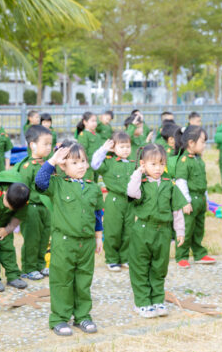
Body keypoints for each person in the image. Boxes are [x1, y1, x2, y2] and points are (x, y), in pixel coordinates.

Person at [35, 141, 103, 336]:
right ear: (63, 166)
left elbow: (97, 214)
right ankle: (59, 318)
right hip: (64, 242)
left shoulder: (93, 188)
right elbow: (40, 182)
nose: (80, 166)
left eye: (83, 161)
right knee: (62, 280)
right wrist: (52, 161)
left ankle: (82, 316)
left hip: (86, 243)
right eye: (74, 162)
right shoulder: (57, 184)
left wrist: (99, 237)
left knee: (83, 280)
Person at [126, 144, 186, 318]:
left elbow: (177, 210)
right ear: (143, 164)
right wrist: (138, 173)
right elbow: (131, 192)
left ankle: (157, 300)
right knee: (140, 267)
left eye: (161, 164)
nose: (158, 168)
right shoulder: (141, 183)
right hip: (143, 230)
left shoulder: (169, 184)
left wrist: (180, 231)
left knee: (159, 267)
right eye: (153, 164)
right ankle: (142, 302)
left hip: (163, 232)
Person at [91, 131, 134, 271]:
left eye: (128, 146)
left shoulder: (132, 163)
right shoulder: (109, 162)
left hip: (130, 202)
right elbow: (94, 164)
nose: (126, 150)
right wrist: (103, 149)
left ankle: (125, 258)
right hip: (114, 200)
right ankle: (112, 259)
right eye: (122, 147)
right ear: (113, 148)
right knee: (113, 231)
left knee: (128, 231)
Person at [174, 126, 216, 268]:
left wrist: (206, 199)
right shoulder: (184, 161)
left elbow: (203, 182)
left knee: (198, 228)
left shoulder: (199, 160)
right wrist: (185, 201)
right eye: (202, 142)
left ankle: (199, 253)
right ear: (191, 143)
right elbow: (181, 182)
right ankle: (182, 256)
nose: (204, 145)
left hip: (200, 199)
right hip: (190, 200)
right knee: (187, 228)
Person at [0, 172, 30, 292]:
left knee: (8, 249)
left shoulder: (23, 198)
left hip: (6, 223)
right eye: (8, 204)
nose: (9, 208)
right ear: (5, 193)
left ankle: (13, 276)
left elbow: (18, 217)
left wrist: (7, 230)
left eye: (12, 208)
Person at [18, 125, 53, 279]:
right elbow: (22, 189)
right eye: (45, 144)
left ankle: (40, 265)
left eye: (50, 144)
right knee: (32, 239)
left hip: (45, 207)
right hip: (31, 207)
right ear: (32, 145)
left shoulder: (46, 165)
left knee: (44, 238)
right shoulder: (28, 166)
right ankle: (29, 268)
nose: (49, 147)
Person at [76, 111, 104, 181]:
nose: (95, 123)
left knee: (95, 181)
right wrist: (85, 162)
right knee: (87, 181)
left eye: (96, 121)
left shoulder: (97, 135)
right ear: (85, 122)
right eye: (92, 121)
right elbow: (82, 150)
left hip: (96, 163)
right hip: (88, 164)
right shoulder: (83, 135)